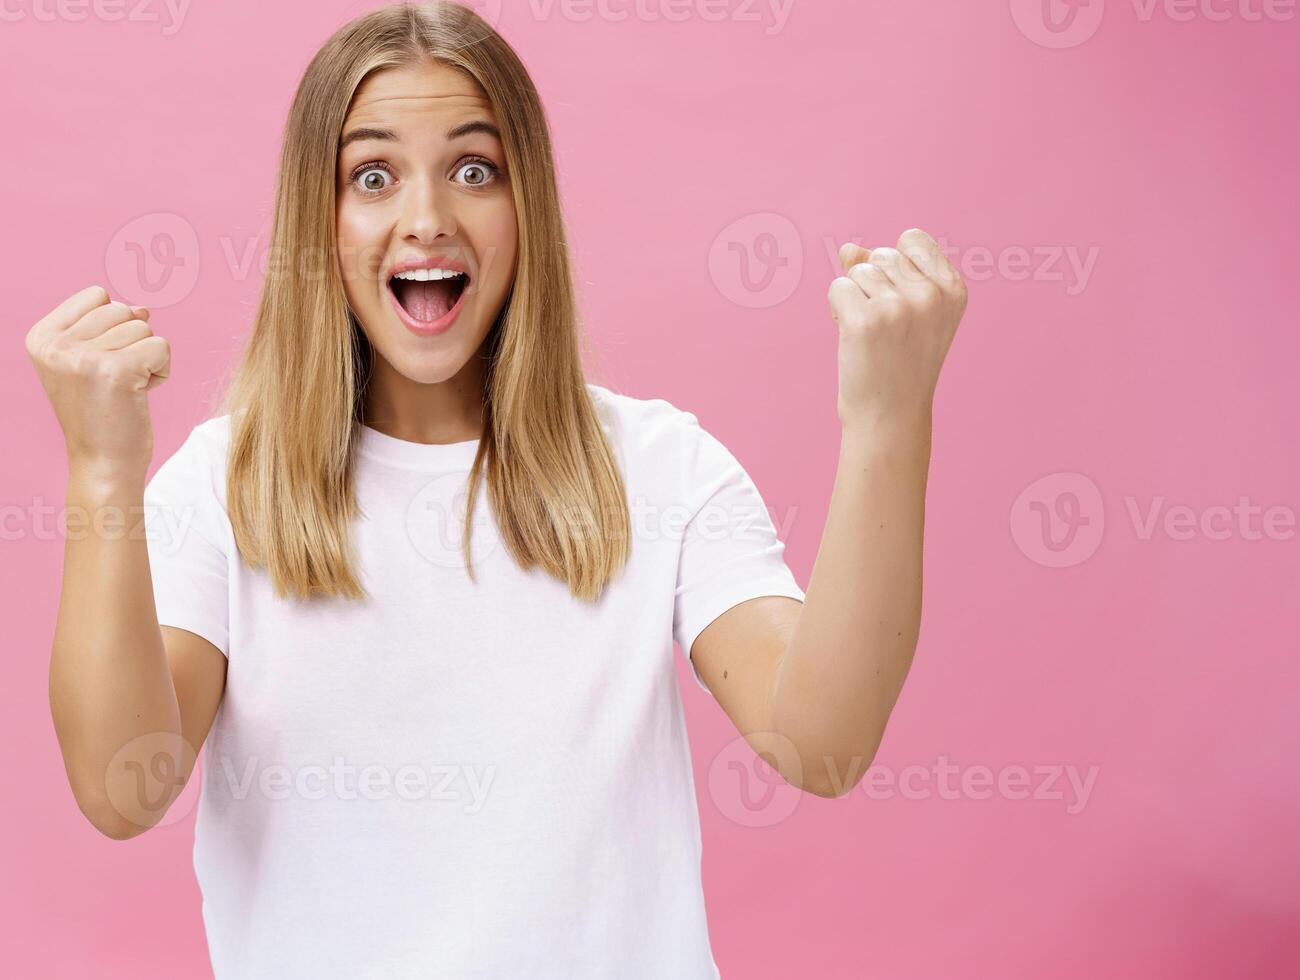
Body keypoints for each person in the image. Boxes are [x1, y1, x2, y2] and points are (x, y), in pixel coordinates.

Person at [30, 3, 965, 976]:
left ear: (529, 208)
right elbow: (118, 788)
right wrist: (102, 471)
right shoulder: (220, 489)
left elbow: (823, 739)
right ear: (319, 216)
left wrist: (888, 424)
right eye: (372, 175)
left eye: (474, 169)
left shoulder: (659, 467)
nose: (427, 216)